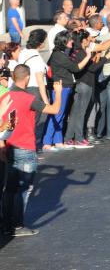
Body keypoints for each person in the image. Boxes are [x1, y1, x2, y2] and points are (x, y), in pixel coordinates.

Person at [1, 65, 63, 237]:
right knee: (23, 189)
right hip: (25, 148)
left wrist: (2, 146)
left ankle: (6, 224)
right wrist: (57, 93)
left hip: (10, 146)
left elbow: (9, 123)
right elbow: (54, 110)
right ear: (27, 78)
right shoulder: (29, 98)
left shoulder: (6, 97)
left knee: (10, 189)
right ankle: (17, 226)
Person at [43, 30, 92, 151]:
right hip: (61, 87)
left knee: (61, 115)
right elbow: (76, 68)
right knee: (57, 114)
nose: (72, 41)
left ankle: (58, 141)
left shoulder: (60, 53)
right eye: (70, 39)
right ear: (64, 42)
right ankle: (47, 143)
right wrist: (89, 56)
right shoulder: (59, 55)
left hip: (65, 86)